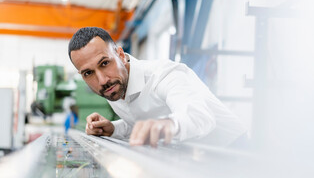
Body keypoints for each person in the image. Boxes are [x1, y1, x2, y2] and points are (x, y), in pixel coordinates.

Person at [68, 27, 245, 147]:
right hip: (196, 156)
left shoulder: (164, 75)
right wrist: (113, 129)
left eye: (105, 63)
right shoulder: (114, 87)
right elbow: (142, 121)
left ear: (121, 55)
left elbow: (200, 116)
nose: (102, 80)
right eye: (88, 73)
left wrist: (168, 125)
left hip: (234, 150)